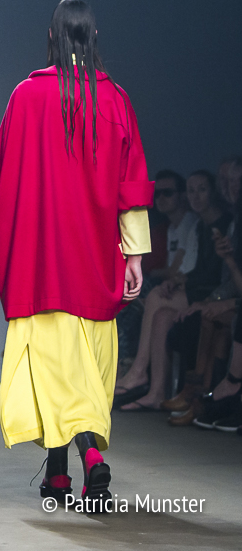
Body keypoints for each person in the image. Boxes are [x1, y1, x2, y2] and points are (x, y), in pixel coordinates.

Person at [0, 0, 152, 511]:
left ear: (51, 37)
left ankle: (86, 459)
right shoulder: (115, 101)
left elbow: (0, 177)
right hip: (94, 259)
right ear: (94, 39)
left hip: (37, 260)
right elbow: (131, 185)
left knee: (51, 369)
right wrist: (135, 254)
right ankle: (59, 474)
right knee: (83, 369)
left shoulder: (26, 97)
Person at [116, 170, 232, 410]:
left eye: (202, 189)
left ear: (213, 192)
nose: (195, 196)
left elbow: (215, 274)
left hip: (214, 293)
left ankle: (138, 370)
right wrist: (179, 280)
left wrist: (182, 282)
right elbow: (198, 269)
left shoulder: (223, 223)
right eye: (192, 190)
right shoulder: (201, 225)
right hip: (200, 288)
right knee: (161, 317)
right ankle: (157, 392)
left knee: (155, 297)